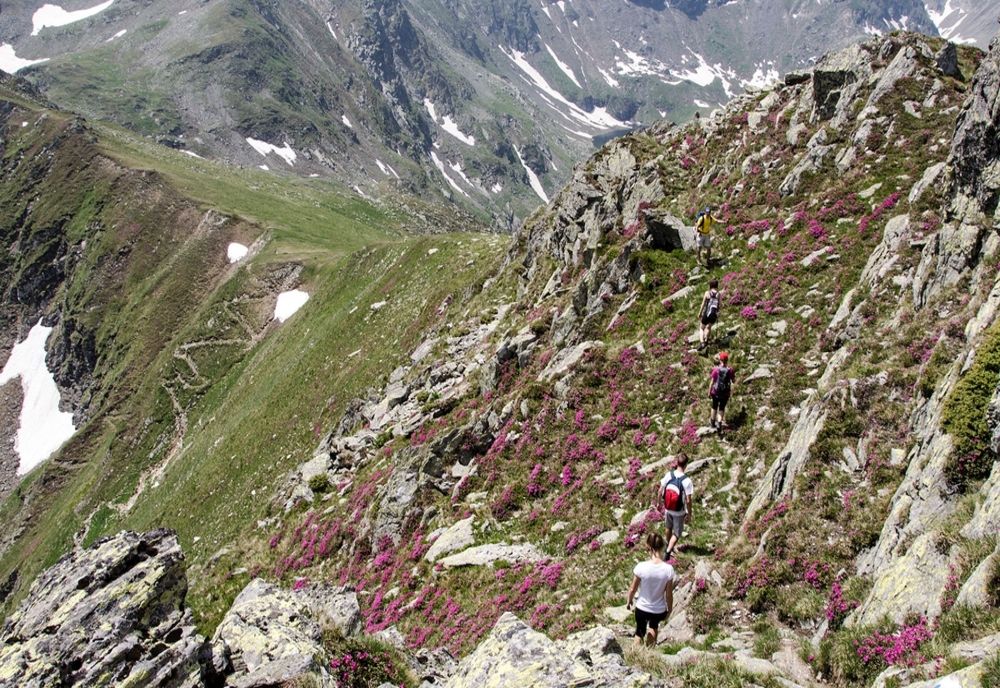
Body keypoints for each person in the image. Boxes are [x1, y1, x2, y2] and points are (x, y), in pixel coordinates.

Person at [626, 532, 676, 647]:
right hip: (658, 609)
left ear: (648, 547)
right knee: (653, 627)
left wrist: (629, 601)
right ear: (663, 546)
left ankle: (636, 655)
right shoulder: (668, 569)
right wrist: (670, 609)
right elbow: (669, 594)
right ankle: (650, 652)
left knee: (639, 631)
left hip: (642, 607)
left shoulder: (641, 567)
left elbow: (633, 588)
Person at [657, 454, 694, 559]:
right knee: (677, 533)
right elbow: (688, 500)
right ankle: (668, 551)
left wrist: (659, 503)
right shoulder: (687, 481)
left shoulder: (669, 475)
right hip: (679, 511)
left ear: (677, 463)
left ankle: (668, 545)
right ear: (686, 465)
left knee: (668, 527)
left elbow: (660, 490)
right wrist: (689, 514)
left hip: (668, 508)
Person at [709, 351, 736, 430]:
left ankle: (713, 422)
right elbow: (733, 381)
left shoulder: (716, 370)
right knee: (721, 408)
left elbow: (712, 382)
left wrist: (709, 392)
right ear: (727, 360)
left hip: (715, 392)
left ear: (720, 360)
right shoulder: (730, 370)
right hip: (725, 393)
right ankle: (719, 423)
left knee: (714, 406)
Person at [697, 279, 721, 349]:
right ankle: (706, 340)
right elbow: (720, 305)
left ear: (710, 285)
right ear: (717, 285)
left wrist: (700, 313)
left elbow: (703, 304)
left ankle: (702, 343)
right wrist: (718, 312)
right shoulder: (718, 294)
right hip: (714, 314)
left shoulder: (707, 293)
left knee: (701, 328)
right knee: (708, 327)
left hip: (707, 313)